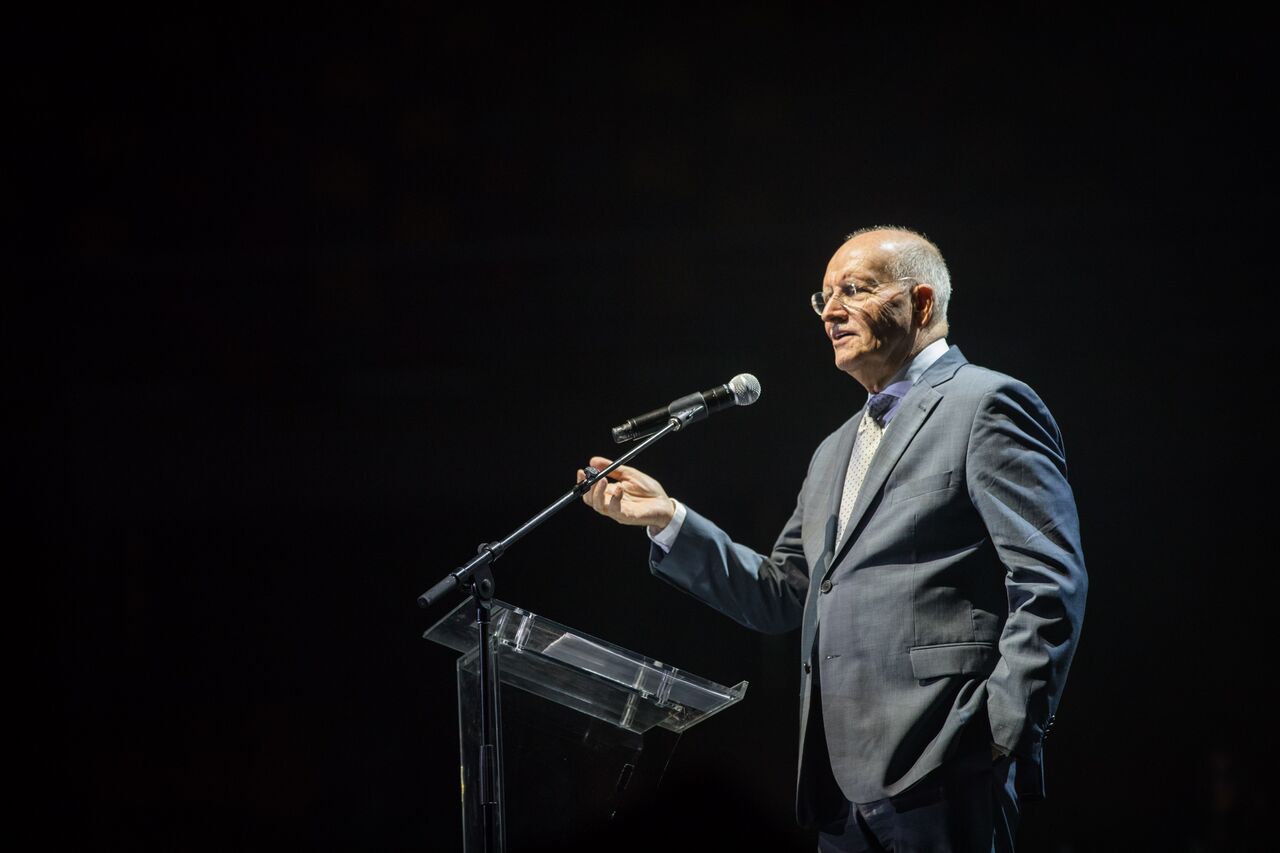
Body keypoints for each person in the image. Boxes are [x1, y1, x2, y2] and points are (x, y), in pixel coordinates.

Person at [577, 226, 1087, 852]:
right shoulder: (833, 452)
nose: (832, 312)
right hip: (839, 788)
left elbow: (1049, 581)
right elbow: (784, 593)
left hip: (949, 764)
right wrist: (668, 520)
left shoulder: (987, 404)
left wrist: (1001, 732)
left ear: (921, 302)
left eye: (855, 290)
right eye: (824, 298)